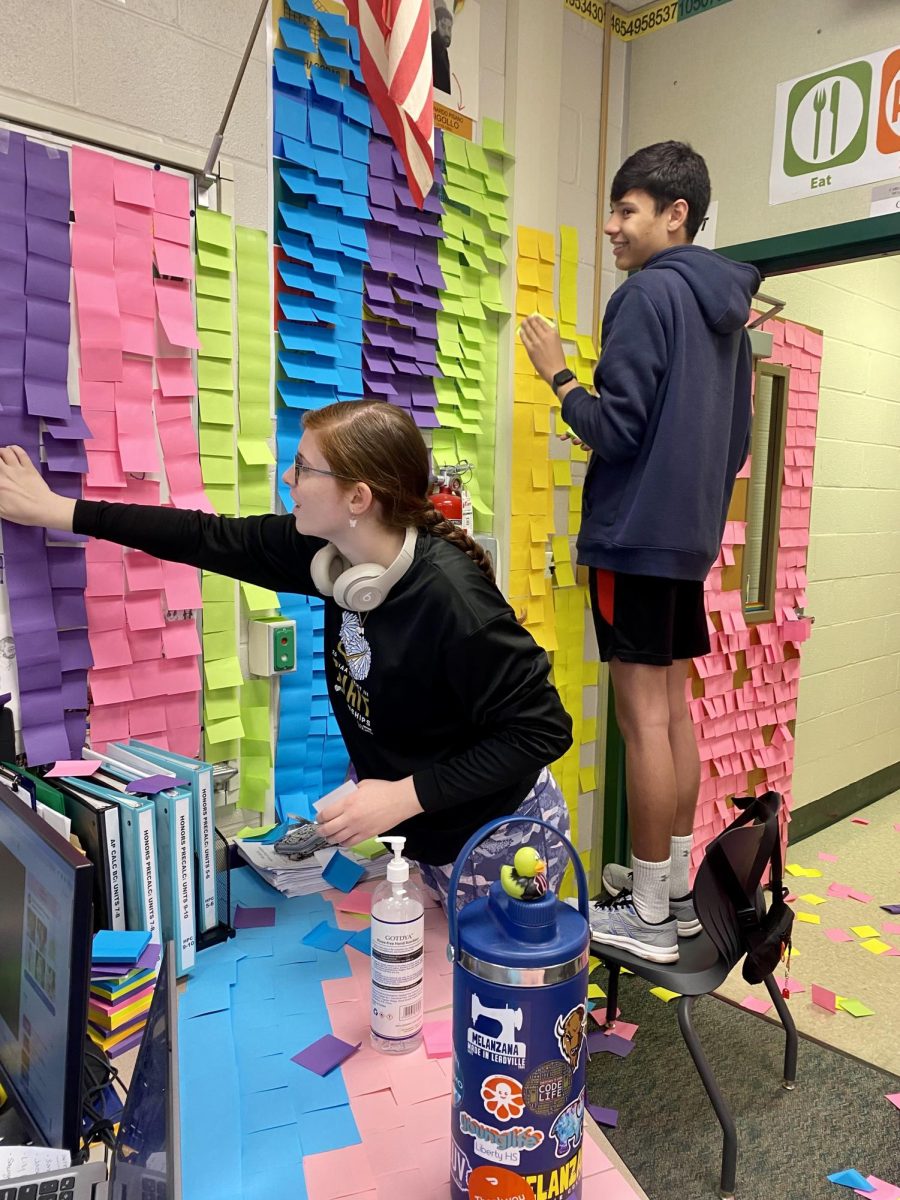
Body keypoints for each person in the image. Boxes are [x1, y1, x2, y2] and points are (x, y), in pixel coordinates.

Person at [0, 400, 573, 914]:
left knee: (495, 1010)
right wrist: (59, 511)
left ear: (358, 497)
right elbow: (202, 537)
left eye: (303, 468)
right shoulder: (330, 553)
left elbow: (541, 731)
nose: (287, 479)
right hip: (427, 831)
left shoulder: (455, 602)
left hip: (500, 838)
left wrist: (403, 794)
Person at [520, 141, 760, 963]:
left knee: (642, 721)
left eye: (626, 210)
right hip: (686, 542)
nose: (612, 226)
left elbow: (612, 428)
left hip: (633, 541)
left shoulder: (644, 297)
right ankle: (679, 894)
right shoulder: (730, 317)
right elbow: (736, 447)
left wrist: (559, 377)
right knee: (675, 714)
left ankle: (650, 915)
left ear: (675, 215)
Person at [431, 4, 453, 95]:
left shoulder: (443, 52)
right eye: (443, 26)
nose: (447, 33)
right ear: (436, 24)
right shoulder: (431, 47)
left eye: (449, 28)